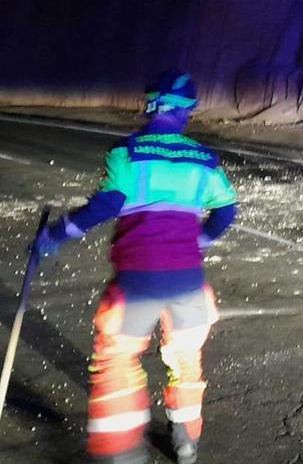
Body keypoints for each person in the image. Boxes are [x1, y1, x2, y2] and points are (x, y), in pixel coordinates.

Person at [31, 71, 238, 464]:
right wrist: (201, 240)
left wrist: (55, 235)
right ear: (188, 113)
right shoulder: (204, 160)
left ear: (150, 105)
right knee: (186, 359)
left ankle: (123, 453)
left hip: (138, 284)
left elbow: (106, 206)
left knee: (118, 361)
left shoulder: (127, 153)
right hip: (190, 285)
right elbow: (225, 211)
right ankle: (185, 442)